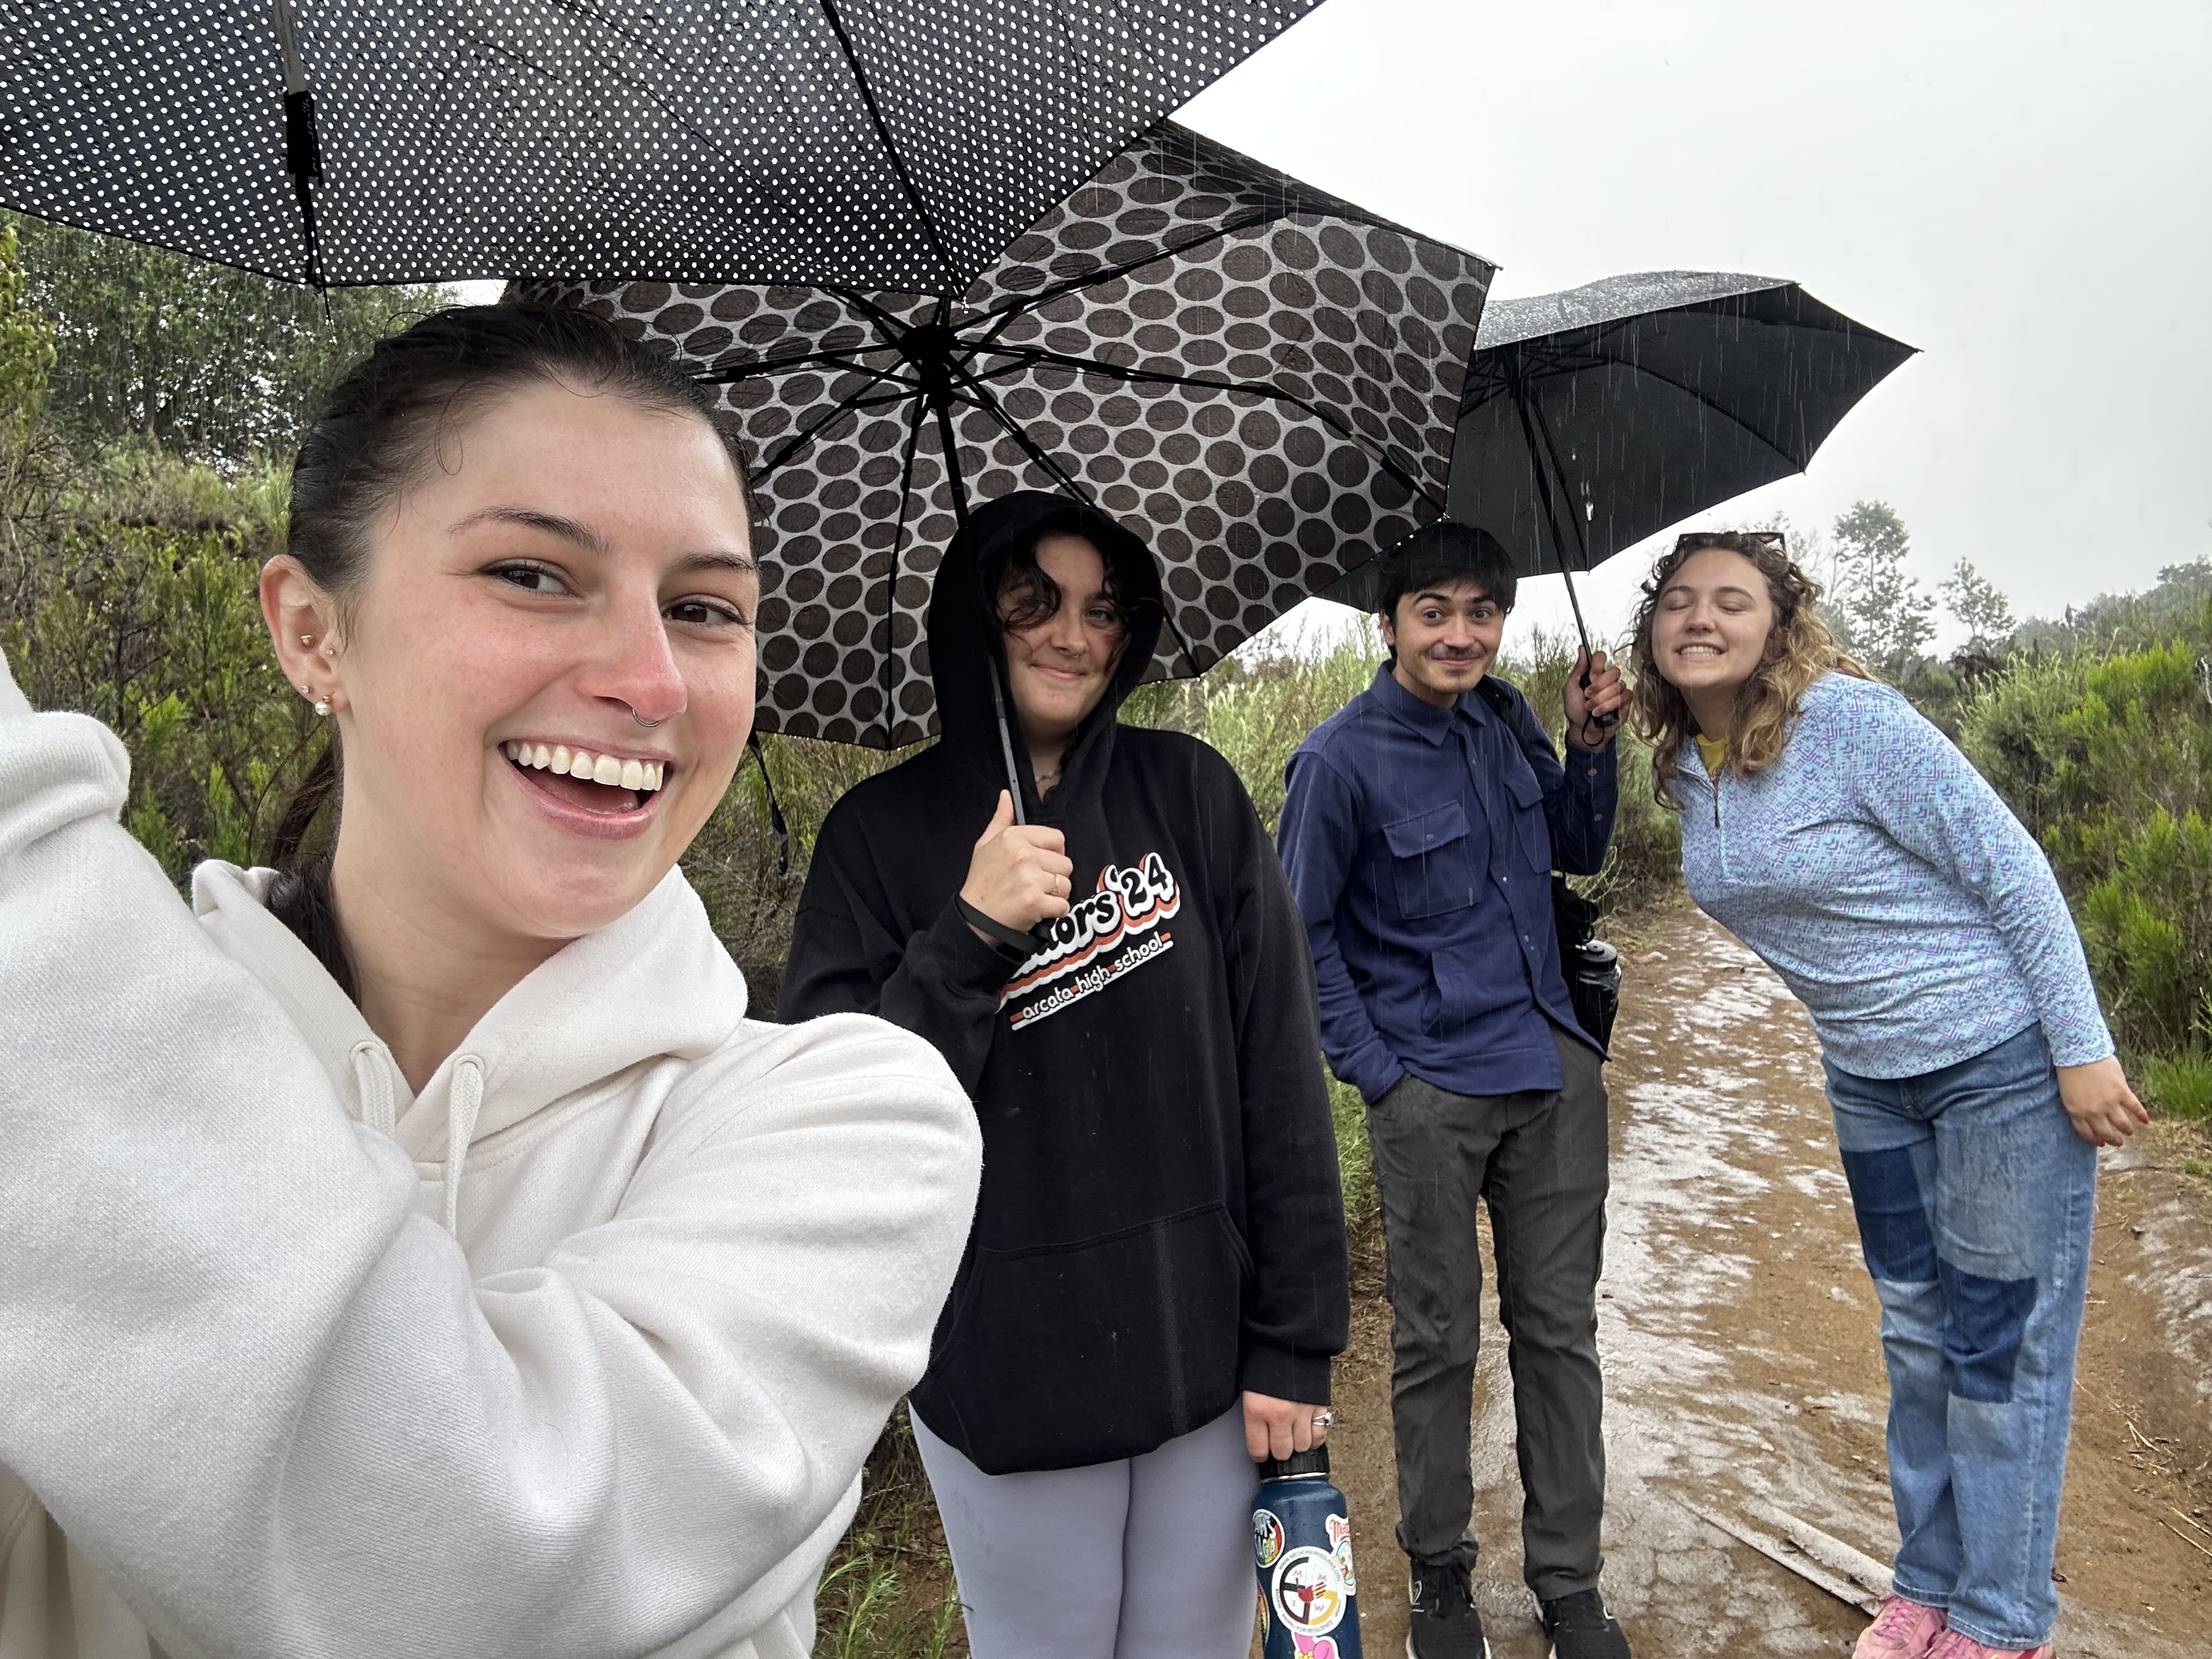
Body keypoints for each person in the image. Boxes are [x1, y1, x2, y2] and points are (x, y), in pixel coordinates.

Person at [0, 306, 982, 1659]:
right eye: (533, 575)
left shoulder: (847, 1127)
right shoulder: (60, 1060)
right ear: (311, 631)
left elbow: (475, 1569)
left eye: (704, 609)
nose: (650, 681)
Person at [778, 489, 1350, 1658]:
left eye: (1101, 609)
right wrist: (969, 936)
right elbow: (836, 1128)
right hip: (1004, 1376)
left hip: (1201, 1354)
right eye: (1031, 601)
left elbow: (1281, 1081)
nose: (1071, 636)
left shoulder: (1192, 795)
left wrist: (1295, 1341)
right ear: (972, 616)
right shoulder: (876, 839)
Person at [1626, 531, 2147, 1659]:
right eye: (1679, 601)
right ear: (1652, 631)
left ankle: (2003, 1621)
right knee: (1917, 1335)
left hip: (1997, 1065)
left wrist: (2080, 1046)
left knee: (1999, 1342)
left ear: (1778, 625)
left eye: (1731, 600)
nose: (1701, 618)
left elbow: (2010, 867)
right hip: (1869, 1079)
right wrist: (1582, 738)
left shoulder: (1851, 723)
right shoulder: (1686, 769)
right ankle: (1929, 1585)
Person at [1277, 519, 1632, 1659]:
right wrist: (1382, 1077)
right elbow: (1301, 937)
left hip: (1552, 1070)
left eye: (1482, 612)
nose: (1460, 635)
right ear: (1390, 625)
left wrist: (1589, 742)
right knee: (1436, 1341)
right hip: (1429, 1088)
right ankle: (1439, 1574)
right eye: (1434, 612)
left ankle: (1570, 1583)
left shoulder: (1506, 718)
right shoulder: (1337, 763)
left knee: (1560, 1333)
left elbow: (1576, 847)